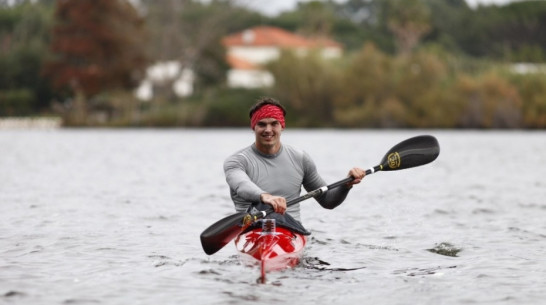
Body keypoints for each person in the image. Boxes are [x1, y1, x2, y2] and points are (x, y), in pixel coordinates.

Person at [223, 97, 365, 231]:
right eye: (261, 124)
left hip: (290, 230)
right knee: (261, 205)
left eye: (274, 124)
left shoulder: (300, 158)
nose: (268, 130)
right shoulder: (236, 161)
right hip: (252, 229)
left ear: (282, 126)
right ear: (253, 127)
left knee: (280, 219)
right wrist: (266, 197)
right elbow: (241, 185)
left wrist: (346, 185)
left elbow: (328, 201)